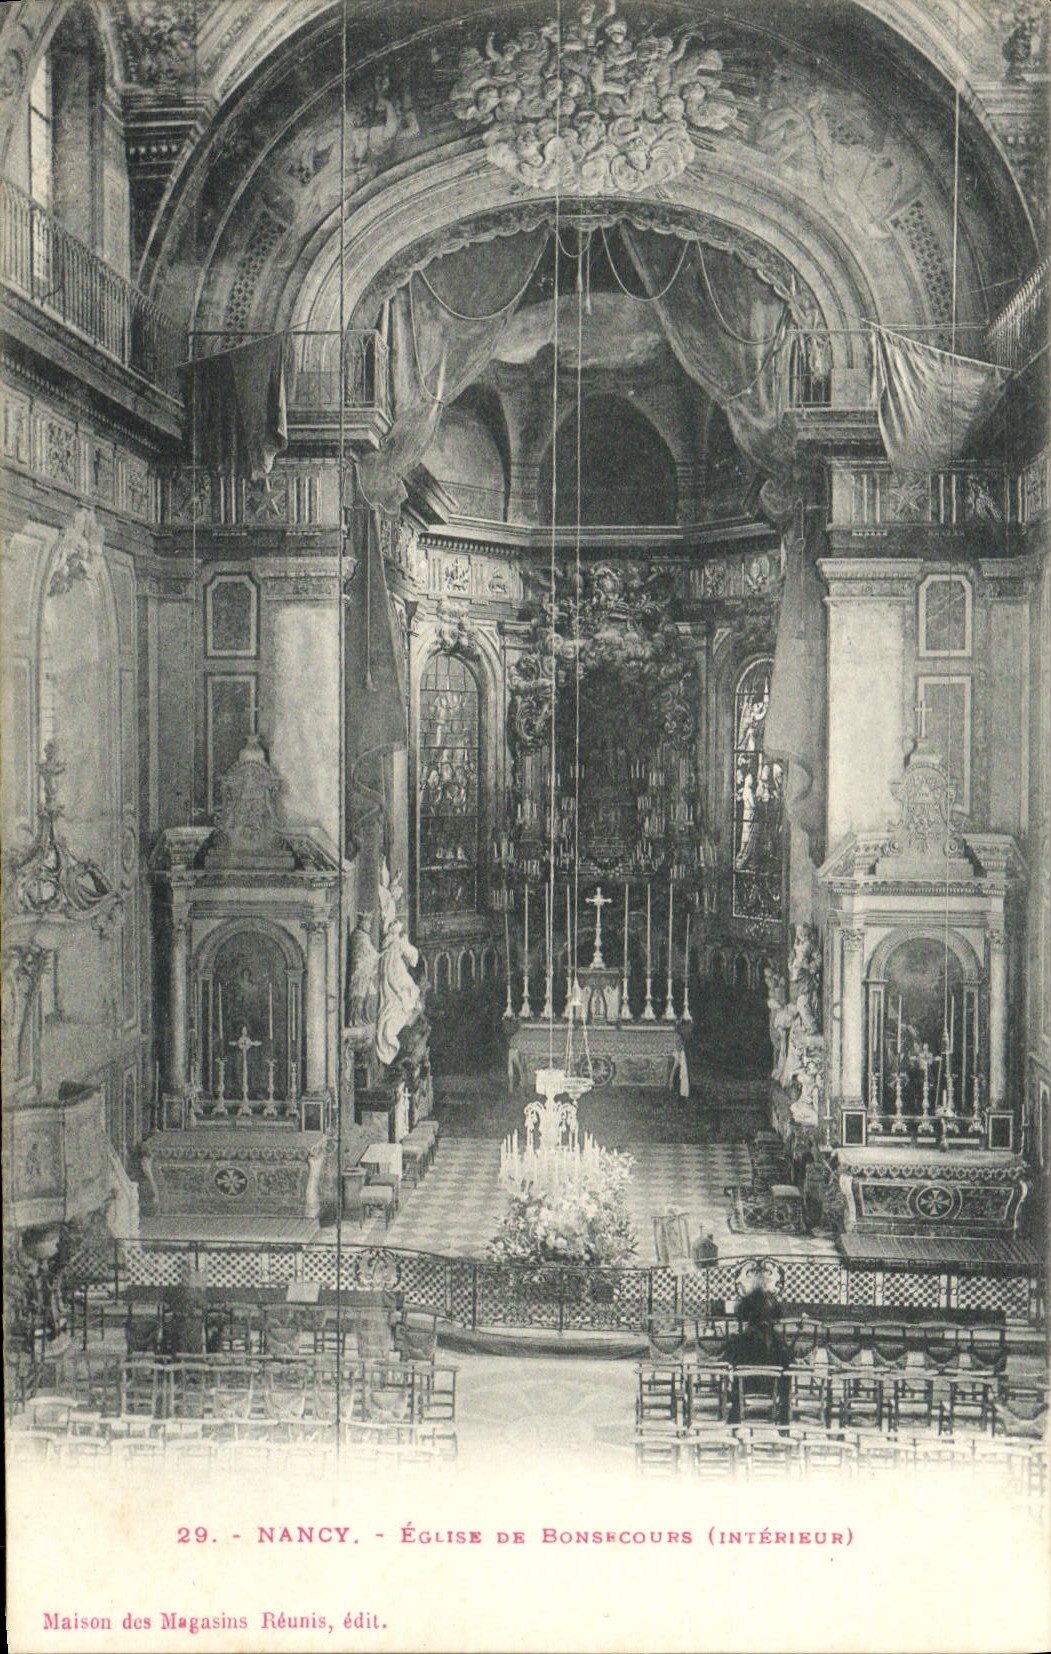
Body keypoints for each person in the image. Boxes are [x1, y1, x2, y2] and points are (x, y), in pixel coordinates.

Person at [725, 1287, 791, 1423]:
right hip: (771, 1386)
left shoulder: (740, 1340)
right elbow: (790, 1364)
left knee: (736, 1373)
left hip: (747, 1385)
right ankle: (784, 1413)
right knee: (786, 1374)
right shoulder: (778, 1342)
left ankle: (736, 1412)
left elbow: (727, 1362)